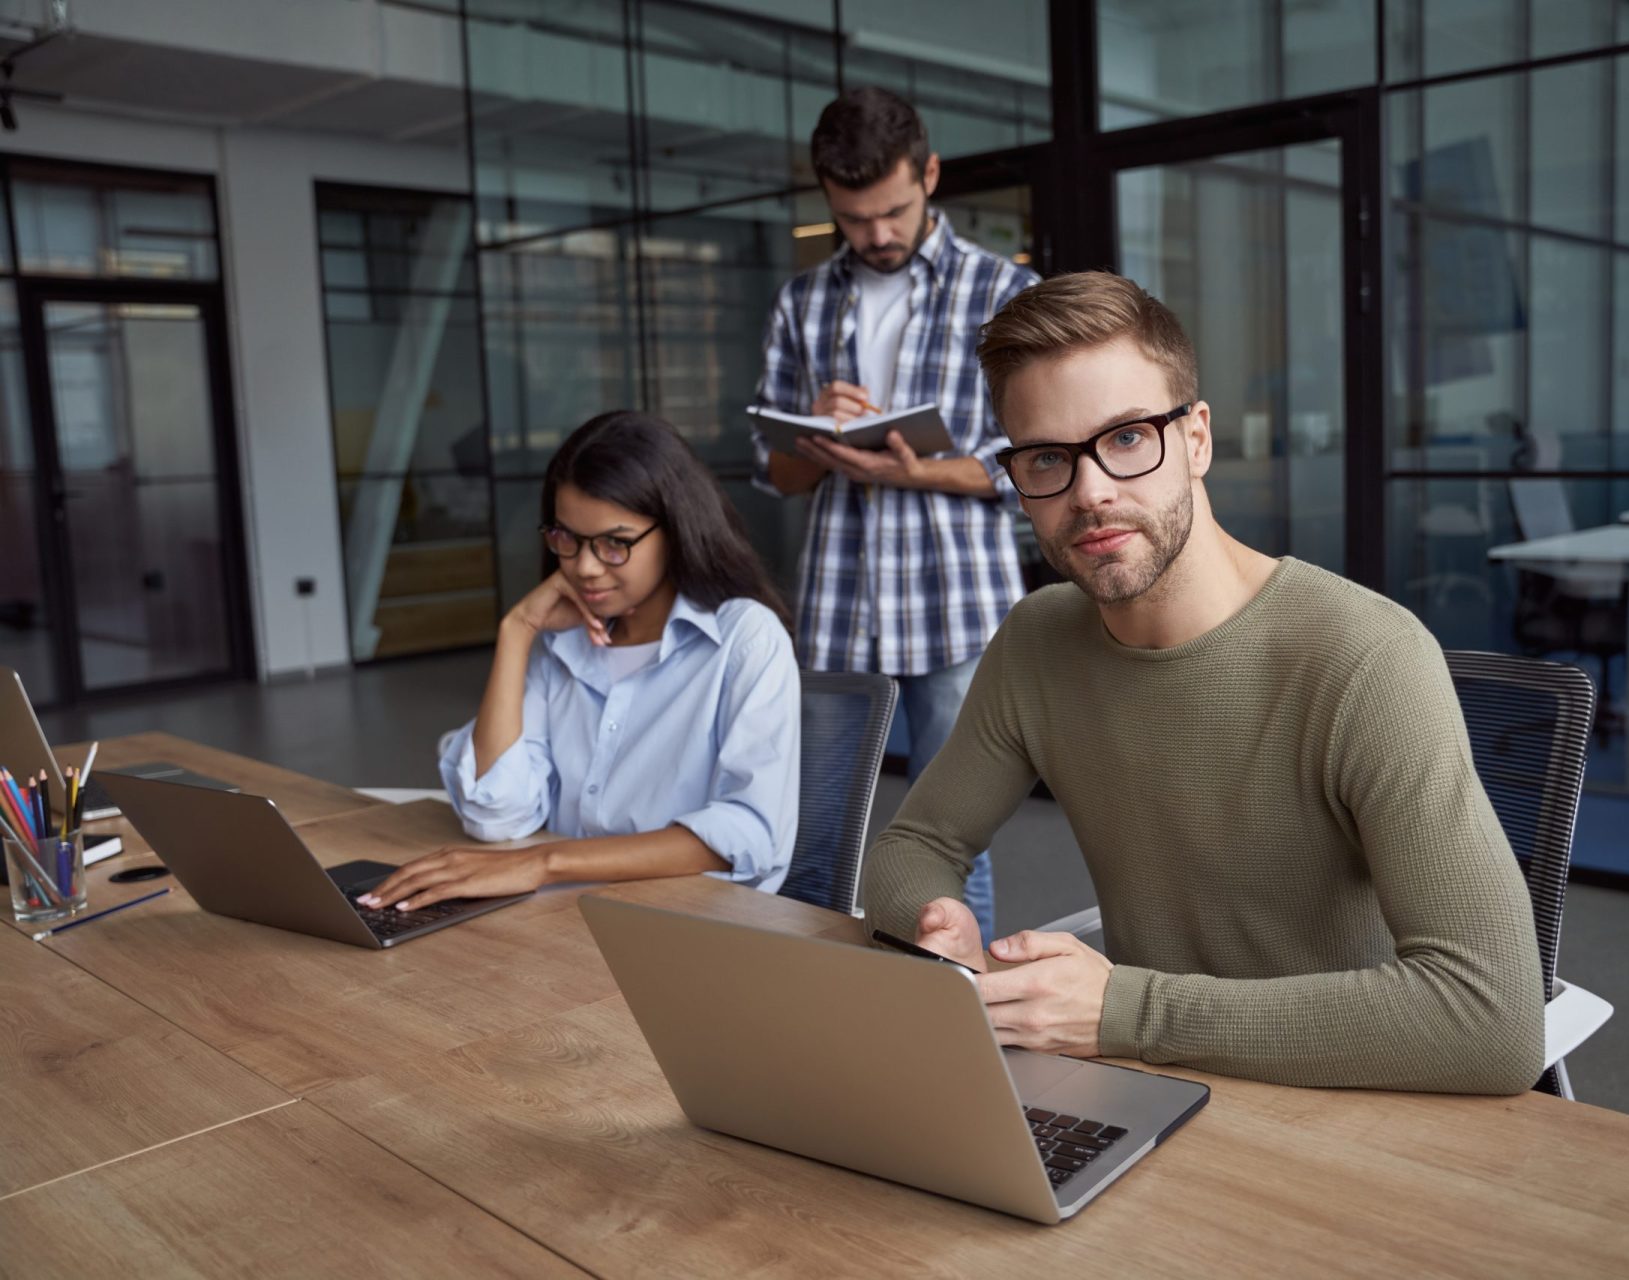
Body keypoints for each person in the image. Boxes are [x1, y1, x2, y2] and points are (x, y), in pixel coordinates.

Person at [862, 272, 1546, 1094]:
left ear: (1196, 440)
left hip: (1349, 1103)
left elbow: (1493, 1017)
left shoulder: (1367, 658)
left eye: (1125, 439)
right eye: (1047, 458)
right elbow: (915, 849)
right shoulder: (1038, 641)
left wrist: (1127, 1011)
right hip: (1154, 1089)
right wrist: (942, 930)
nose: (1091, 494)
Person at [752, 86, 1037, 942]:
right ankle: (810, 1010)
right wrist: (814, 438)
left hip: (955, 610)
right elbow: (774, 474)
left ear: (931, 176)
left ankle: (964, 1007)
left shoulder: (1005, 290)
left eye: (892, 211)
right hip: (841, 608)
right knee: (815, 827)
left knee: (955, 840)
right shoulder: (802, 303)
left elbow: (1035, 461)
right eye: (852, 218)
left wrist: (919, 470)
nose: (875, 234)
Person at [362, 412, 800, 913]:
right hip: (563, 918)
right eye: (566, 538)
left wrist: (546, 862)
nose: (585, 567)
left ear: (676, 530)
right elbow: (496, 814)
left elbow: (749, 832)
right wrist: (517, 632)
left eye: (615, 543)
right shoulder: (563, 642)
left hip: (691, 927)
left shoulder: (744, 638)